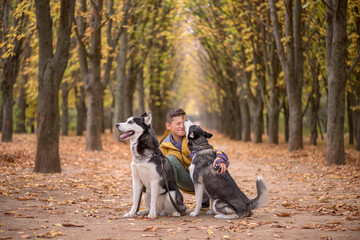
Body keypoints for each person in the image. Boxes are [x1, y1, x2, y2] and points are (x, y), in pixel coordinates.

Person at [159, 108, 229, 208]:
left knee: (213, 163)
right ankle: (173, 201)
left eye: (184, 122)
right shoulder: (163, 146)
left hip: (206, 185)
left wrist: (221, 159)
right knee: (169, 160)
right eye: (178, 124)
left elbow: (212, 150)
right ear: (168, 126)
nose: (182, 126)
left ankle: (205, 199)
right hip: (185, 181)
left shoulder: (193, 138)